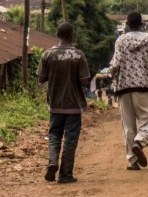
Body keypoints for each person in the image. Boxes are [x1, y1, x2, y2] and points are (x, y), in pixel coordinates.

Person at [109, 11, 148, 171]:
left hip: (123, 87)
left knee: (128, 125)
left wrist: (110, 74)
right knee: (145, 119)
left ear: (127, 24)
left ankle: (132, 161)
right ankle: (140, 142)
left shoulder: (121, 40)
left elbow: (116, 63)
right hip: (142, 86)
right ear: (141, 24)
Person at [36, 22, 91, 184]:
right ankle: (65, 174)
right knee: (70, 139)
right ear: (71, 36)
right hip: (74, 105)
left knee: (54, 135)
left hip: (55, 104)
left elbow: (41, 78)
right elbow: (84, 80)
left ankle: (53, 161)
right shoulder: (78, 55)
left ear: (57, 35)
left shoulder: (47, 54)